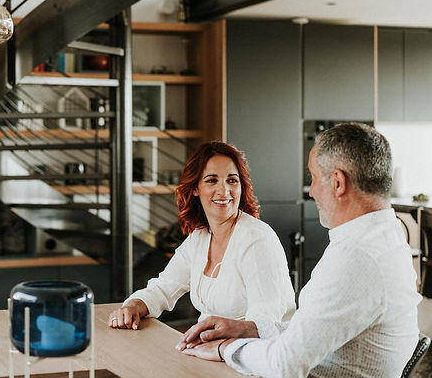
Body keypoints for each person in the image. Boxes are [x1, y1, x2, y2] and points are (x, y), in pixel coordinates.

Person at [178, 123, 420, 378]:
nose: (312, 190)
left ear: (337, 182)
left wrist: (226, 348)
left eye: (313, 178)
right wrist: (250, 329)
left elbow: (285, 364)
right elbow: (314, 330)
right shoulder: (385, 237)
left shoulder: (356, 257)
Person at [109, 141, 295, 334]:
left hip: (254, 355)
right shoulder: (200, 237)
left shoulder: (257, 239)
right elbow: (163, 288)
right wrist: (133, 306)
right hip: (210, 350)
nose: (224, 191)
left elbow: (265, 323)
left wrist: (218, 347)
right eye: (211, 180)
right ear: (195, 188)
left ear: (241, 187)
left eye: (232, 180)